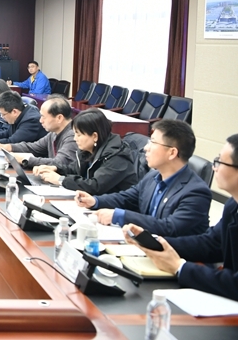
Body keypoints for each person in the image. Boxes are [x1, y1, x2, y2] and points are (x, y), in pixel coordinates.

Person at [124, 134, 238, 301]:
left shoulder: (197, 191)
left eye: (220, 162)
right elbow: (212, 243)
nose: (215, 168)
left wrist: (180, 267)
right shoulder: (233, 205)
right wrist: (153, 242)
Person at [75, 120, 210, 237]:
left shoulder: (196, 192)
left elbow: (169, 227)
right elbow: (126, 198)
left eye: (153, 142)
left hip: (173, 254)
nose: (146, 148)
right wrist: (95, 201)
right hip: (144, 245)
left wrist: (119, 216)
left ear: (172, 153)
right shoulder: (152, 176)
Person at [36, 108, 138, 195]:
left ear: (94, 136)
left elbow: (95, 186)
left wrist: (60, 180)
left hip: (113, 208)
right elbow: (74, 169)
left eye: (79, 134)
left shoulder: (117, 156)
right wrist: (55, 168)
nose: (75, 139)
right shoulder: (88, 150)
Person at [0, 96, 76, 172]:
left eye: (43, 117)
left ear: (59, 118)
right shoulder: (53, 133)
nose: (40, 120)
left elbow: (59, 163)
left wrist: (25, 159)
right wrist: (7, 147)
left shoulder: (73, 136)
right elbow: (34, 147)